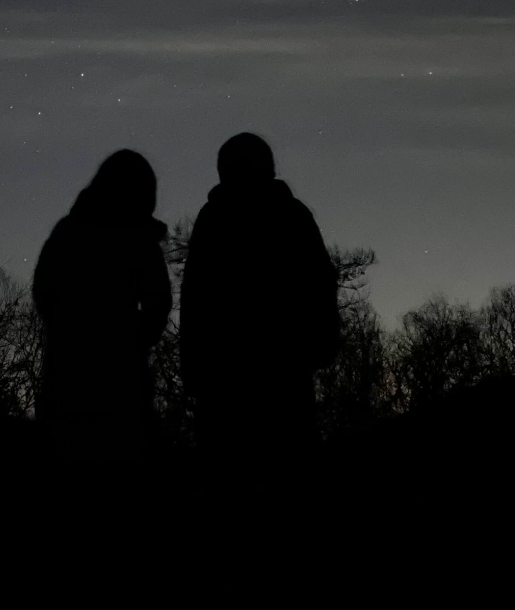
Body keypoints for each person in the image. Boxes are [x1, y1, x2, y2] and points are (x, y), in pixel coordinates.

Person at [180, 132, 340, 486]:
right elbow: (320, 281)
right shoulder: (291, 214)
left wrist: (193, 368)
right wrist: (321, 344)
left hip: (228, 377)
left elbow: (194, 299)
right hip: (281, 372)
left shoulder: (215, 218)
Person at [32, 149, 172, 465]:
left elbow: (44, 291)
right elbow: (159, 301)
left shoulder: (69, 231)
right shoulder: (137, 238)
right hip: (118, 382)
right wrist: (131, 338)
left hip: (69, 374)